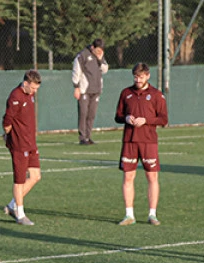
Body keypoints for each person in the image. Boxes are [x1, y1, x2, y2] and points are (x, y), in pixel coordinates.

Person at [115, 63, 168, 226]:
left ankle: (152, 214)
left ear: (148, 76)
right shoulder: (126, 93)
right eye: (136, 77)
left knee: (151, 176)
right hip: (129, 141)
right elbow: (118, 116)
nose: (138, 80)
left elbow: (164, 119)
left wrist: (146, 121)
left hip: (148, 141)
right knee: (128, 176)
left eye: (141, 77)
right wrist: (126, 118)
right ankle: (129, 215)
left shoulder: (156, 95)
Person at [2, 69, 42, 226]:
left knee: (36, 176)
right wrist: (9, 136)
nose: (34, 91)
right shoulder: (15, 96)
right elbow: (7, 122)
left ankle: (12, 205)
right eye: (32, 88)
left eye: (36, 89)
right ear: (25, 83)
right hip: (19, 144)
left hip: (31, 142)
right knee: (19, 180)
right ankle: (20, 214)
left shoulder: (30, 95)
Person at [71, 37, 109, 144]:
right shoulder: (82, 55)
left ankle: (88, 136)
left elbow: (105, 69)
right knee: (83, 113)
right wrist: (76, 87)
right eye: (97, 50)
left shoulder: (100, 56)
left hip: (96, 90)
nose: (99, 52)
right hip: (84, 90)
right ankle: (82, 137)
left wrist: (100, 59)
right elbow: (76, 71)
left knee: (91, 114)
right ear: (93, 47)